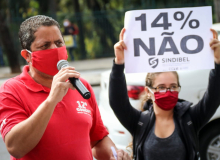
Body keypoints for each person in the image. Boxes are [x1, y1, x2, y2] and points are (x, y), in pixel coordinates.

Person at [0, 15, 130, 160]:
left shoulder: (81, 85)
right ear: (27, 56)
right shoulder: (11, 90)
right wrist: (51, 100)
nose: (55, 49)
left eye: (58, 43)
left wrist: (115, 153)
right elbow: (15, 147)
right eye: (45, 45)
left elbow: (97, 139)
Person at [109, 28, 220, 160]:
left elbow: (213, 98)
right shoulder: (139, 122)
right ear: (148, 91)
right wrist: (119, 64)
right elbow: (117, 102)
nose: (168, 92)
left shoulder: (190, 119)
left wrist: (218, 62)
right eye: (161, 87)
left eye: (173, 86)